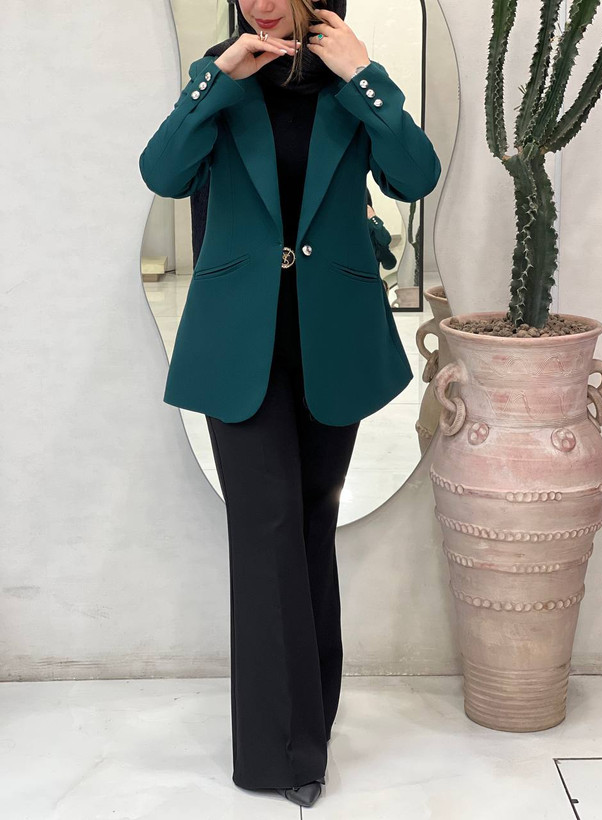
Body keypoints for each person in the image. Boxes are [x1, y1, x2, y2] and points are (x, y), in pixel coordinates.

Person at [139, 0, 441, 807]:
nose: (261, 4)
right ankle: (280, 755)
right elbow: (163, 174)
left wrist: (365, 76)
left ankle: (312, 719)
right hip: (238, 340)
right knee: (265, 526)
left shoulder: (349, 80)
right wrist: (213, 81)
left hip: (330, 338)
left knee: (308, 526)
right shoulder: (224, 74)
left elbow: (414, 177)